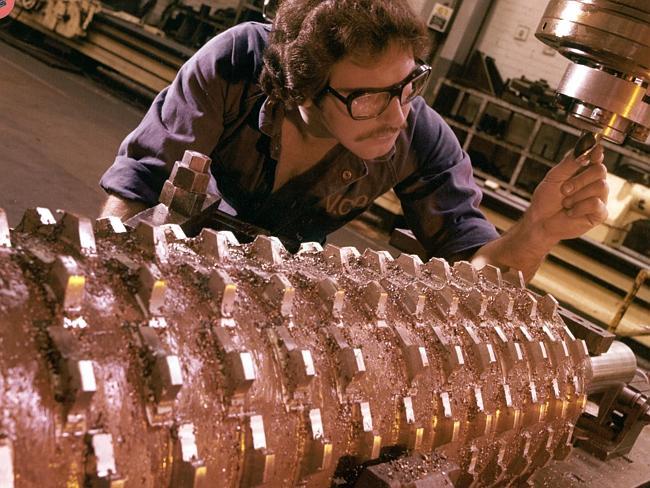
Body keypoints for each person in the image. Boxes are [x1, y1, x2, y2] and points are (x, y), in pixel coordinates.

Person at [99, 0, 608, 282]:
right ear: (302, 89)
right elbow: (140, 186)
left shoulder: (421, 135)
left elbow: (477, 272)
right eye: (366, 97)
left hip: (278, 282)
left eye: (408, 85)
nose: (395, 115)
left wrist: (536, 232)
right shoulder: (237, 64)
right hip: (169, 252)